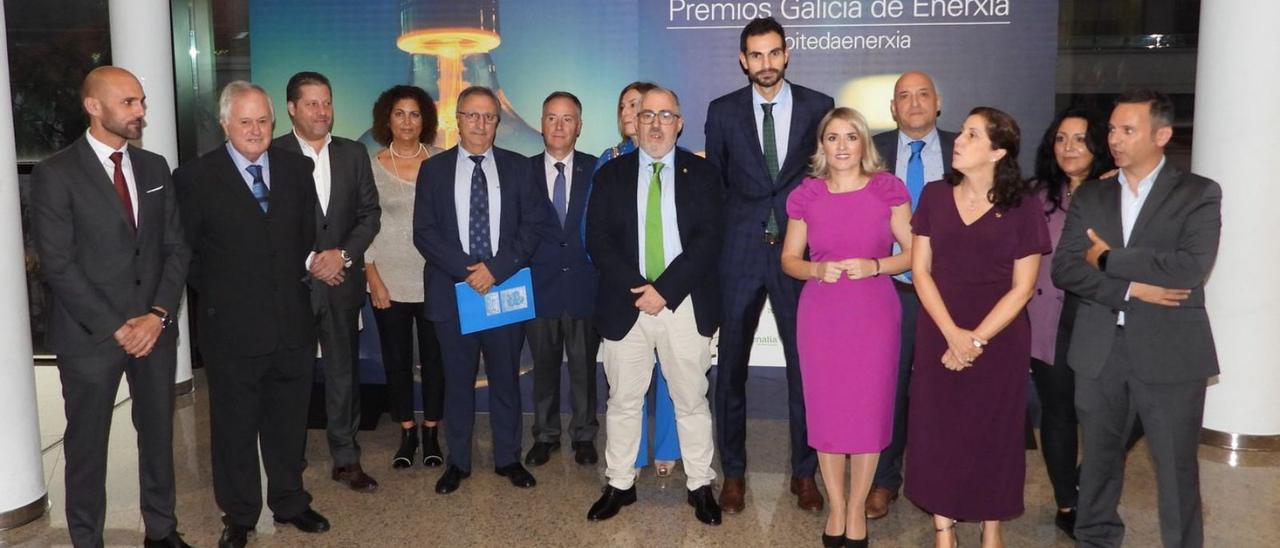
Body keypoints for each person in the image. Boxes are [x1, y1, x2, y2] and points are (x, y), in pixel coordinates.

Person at [30, 66, 193, 548]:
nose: (140, 111)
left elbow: (176, 247)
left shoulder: (155, 167)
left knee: (159, 437)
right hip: (90, 338)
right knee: (87, 445)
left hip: (155, 330)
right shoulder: (55, 173)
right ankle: (87, 539)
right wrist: (118, 327)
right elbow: (57, 264)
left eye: (141, 101)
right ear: (94, 107)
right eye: (129, 102)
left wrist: (159, 315)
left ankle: (161, 531)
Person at [1052, 89, 1221, 548]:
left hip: (1170, 354)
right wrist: (1131, 286)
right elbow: (1065, 267)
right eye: (1112, 129)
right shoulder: (1093, 194)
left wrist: (1108, 260)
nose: (1115, 139)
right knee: (1101, 465)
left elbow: (1189, 267)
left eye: (1128, 130)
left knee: (1175, 470)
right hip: (1100, 349)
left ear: (1162, 135)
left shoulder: (1198, 193)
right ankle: (1095, 539)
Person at [175, 81, 331, 547]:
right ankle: (240, 515)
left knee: (288, 423)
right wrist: (233, 295)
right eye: (245, 121)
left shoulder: (295, 168)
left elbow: (304, 235)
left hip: (292, 324)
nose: (256, 129)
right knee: (235, 428)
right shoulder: (195, 178)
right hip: (232, 329)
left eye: (263, 120)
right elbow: (189, 256)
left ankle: (290, 502)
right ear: (226, 124)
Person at [704, 17, 835, 514]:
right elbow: (715, 187)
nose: (765, 64)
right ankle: (733, 475)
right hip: (737, 255)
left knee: (805, 369)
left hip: (799, 254)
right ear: (743, 60)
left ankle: (804, 472)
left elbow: (824, 179)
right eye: (755, 55)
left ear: (787, 53)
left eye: (773, 53)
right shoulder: (722, 112)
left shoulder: (818, 107)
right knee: (731, 367)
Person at [902, 107, 1050, 548]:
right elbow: (920, 271)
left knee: (995, 433)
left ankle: (992, 524)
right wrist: (952, 334)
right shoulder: (933, 196)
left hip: (999, 339)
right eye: (962, 133)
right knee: (938, 429)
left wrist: (976, 338)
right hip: (939, 331)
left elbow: (1023, 288)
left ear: (998, 150)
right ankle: (943, 527)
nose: (959, 141)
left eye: (971, 134)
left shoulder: (1024, 206)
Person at [584, 86, 724, 525]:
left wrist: (664, 290)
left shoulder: (702, 175)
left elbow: (708, 239)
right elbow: (599, 240)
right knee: (623, 399)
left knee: (691, 399)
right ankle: (620, 484)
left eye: (666, 115)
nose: (657, 123)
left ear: (679, 124)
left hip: (683, 302)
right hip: (627, 303)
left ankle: (700, 484)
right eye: (648, 115)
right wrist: (639, 288)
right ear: (636, 122)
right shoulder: (611, 174)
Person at [412, 85, 556, 495]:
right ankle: (457, 462)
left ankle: (507, 458)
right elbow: (424, 232)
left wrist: (495, 269)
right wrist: (467, 270)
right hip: (453, 293)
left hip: (503, 290)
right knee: (456, 382)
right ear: (456, 119)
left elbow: (533, 227)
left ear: (498, 122)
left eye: (488, 116)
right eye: (472, 115)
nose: (480, 124)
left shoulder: (519, 168)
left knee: (505, 380)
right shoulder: (434, 170)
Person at [780, 107, 913, 547]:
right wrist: (816, 272)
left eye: (850, 137)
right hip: (821, 318)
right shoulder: (807, 195)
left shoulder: (888, 190)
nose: (841, 146)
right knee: (828, 417)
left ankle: (857, 510)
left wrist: (875, 265)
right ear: (822, 145)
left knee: (868, 417)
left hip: (874, 315)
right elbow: (789, 260)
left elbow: (914, 255)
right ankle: (836, 507)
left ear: (863, 144)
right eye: (832, 137)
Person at [271, 71, 382, 492]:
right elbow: (269, 222)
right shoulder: (273, 154)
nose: (322, 111)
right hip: (294, 288)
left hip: (342, 283)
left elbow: (369, 215)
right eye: (313, 103)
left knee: (343, 374)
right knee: (292, 376)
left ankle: (346, 458)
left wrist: (343, 256)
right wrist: (311, 258)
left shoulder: (354, 154)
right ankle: (289, 461)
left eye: (327, 103)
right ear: (292, 108)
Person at [866, 70, 956, 520]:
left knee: (946, 391)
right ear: (893, 108)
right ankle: (885, 481)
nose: (915, 103)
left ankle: (944, 483)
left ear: (938, 102)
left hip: (952, 292)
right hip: (890, 291)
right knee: (889, 389)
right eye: (905, 96)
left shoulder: (965, 150)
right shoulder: (872, 151)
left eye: (923, 94)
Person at [1027, 106, 1114, 539]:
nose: (1069, 147)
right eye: (1061, 138)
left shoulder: (1120, 193)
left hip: (1102, 317)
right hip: (1048, 319)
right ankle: (1066, 501)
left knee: (1115, 413)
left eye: (1079, 138)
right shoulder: (1035, 194)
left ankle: (1084, 476)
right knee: (1058, 414)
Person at [596, 80, 681, 477]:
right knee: (627, 383)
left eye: (640, 106)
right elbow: (593, 230)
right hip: (625, 285)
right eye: (626, 106)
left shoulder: (679, 161)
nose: (632, 113)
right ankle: (630, 460)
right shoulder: (609, 161)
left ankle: (667, 446)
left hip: (673, 288)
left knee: (671, 374)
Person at [365, 84, 446, 469]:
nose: (407, 121)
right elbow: (363, 225)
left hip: (435, 280)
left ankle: (432, 432)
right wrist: (372, 278)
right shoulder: (371, 165)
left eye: (415, 114)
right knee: (396, 361)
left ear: (425, 119)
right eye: (400, 113)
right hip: (389, 282)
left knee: (435, 359)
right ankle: (407, 432)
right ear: (387, 119)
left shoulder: (443, 161)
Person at [524, 91, 602, 467]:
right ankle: (545, 435)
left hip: (585, 287)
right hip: (539, 288)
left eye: (567, 119)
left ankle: (585, 435)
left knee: (585, 369)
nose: (559, 126)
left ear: (579, 126)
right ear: (541, 124)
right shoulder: (521, 171)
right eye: (551, 117)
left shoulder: (597, 169)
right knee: (544, 369)